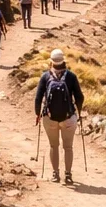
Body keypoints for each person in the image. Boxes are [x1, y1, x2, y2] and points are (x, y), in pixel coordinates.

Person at [34, 50, 84, 185]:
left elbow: (38, 98)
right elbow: (80, 97)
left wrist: (37, 114)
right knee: (68, 147)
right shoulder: (71, 76)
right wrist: (78, 112)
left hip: (50, 118)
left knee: (53, 146)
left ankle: (55, 174)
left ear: (51, 61)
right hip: (68, 118)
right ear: (63, 60)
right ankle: (68, 175)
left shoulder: (45, 77)